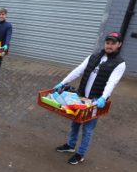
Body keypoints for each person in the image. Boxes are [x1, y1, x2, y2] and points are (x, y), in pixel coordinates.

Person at [53, 31, 126, 165]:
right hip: (81, 96)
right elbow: (78, 70)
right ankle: (70, 145)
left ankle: (80, 154)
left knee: (88, 129)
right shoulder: (94, 56)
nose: (109, 46)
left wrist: (103, 98)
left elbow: (112, 82)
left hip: (96, 101)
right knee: (75, 121)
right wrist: (63, 82)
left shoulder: (119, 64)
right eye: (107, 43)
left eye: (113, 44)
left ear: (119, 45)